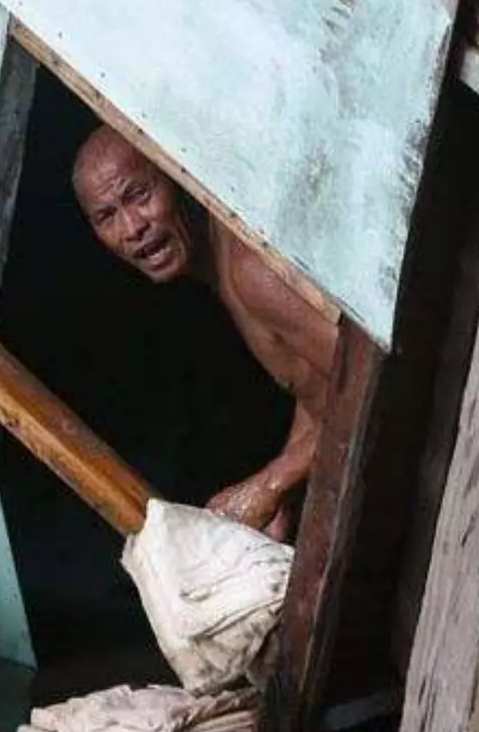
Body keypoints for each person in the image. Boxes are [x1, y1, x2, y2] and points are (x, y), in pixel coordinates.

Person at [72, 126, 337, 542]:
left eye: (139, 195)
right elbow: (319, 388)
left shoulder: (253, 272)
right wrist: (283, 497)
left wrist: (271, 484)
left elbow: (376, 375)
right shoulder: (225, 277)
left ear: (176, 173)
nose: (131, 227)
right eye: (106, 217)